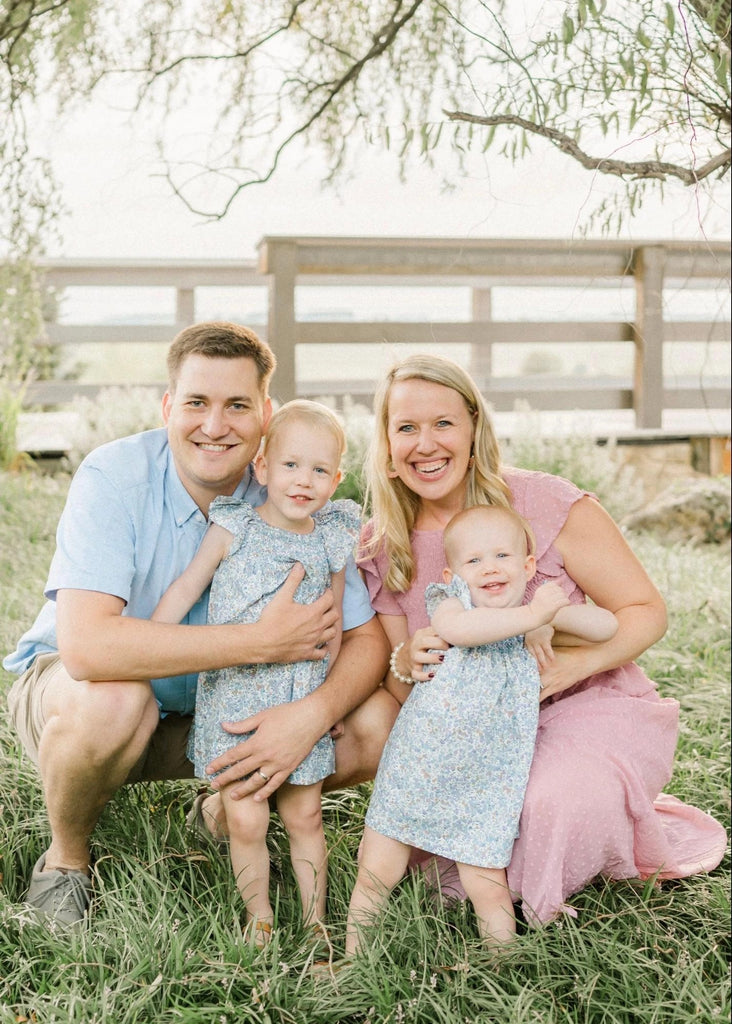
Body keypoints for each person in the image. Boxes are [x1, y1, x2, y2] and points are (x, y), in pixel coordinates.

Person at [2, 322, 392, 928]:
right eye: (196, 404)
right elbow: (86, 649)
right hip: (90, 699)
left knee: (373, 720)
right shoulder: (114, 478)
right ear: (168, 407)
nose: (214, 426)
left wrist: (309, 715)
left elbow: (368, 641)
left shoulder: (293, 491)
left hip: (229, 710)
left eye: (237, 405)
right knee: (114, 701)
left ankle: (222, 813)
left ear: (266, 414)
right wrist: (259, 642)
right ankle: (67, 862)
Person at [356, 353, 727, 926]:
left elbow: (645, 611)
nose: (425, 444)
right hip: (476, 729)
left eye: (443, 423)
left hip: (587, 706)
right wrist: (404, 663)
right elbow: (397, 675)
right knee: (446, 823)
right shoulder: (382, 546)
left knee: (540, 807)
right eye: (406, 427)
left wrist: (572, 669)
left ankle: (587, 826)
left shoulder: (545, 503)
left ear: (475, 427)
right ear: (386, 443)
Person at [347, 505, 618, 952]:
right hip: (420, 767)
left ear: (528, 566)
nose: (489, 567)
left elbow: (606, 627)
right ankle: (354, 958)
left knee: (488, 887)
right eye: (473, 561)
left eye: (502, 556)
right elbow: (461, 630)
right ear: (455, 573)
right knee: (377, 871)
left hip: (489, 780)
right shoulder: (453, 603)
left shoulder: (535, 613)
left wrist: (554, 611)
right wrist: (532, 619)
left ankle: (500, 969)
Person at [152, 399, 360, 945]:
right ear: (263, 468)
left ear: (336, 479)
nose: (303, 481)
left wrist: (328, 701)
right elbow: (188, 586)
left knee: (305, 815)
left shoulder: (330, 537)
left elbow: (333, 624)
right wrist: (152, 640)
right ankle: (259, 916)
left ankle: (316, 922)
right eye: (291, 465)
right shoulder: (234, 526)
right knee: (245, 816)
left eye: (319, 470)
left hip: (300, 698)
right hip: (237, 698)